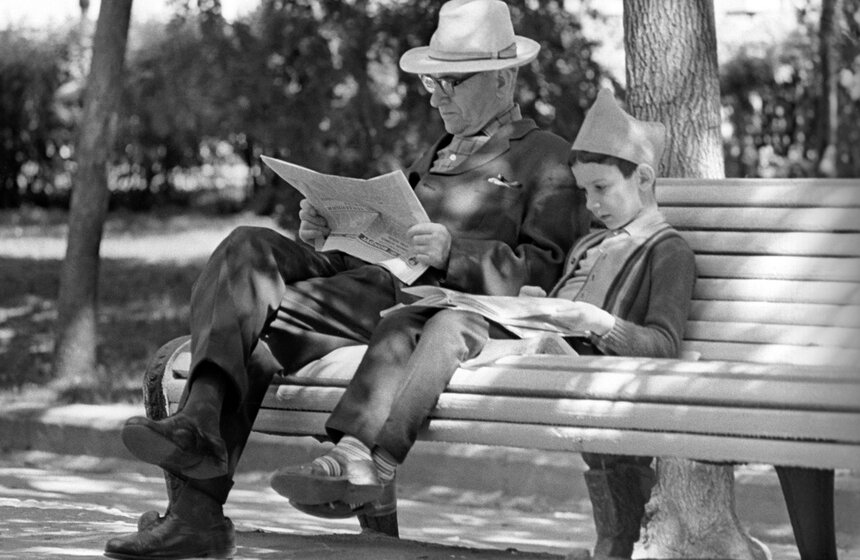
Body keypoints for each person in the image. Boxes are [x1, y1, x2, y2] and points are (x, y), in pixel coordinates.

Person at [103, 0, 589, 558]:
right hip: (367, 287)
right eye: (432, 81)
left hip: (423, 305)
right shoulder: (434, 157)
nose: (437, 94)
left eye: (453, 81)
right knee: (247, 247)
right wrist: (330, 231)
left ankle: (197, 509)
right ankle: (199, 425)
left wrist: (457, 251)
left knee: (252, 329)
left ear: (504, 80)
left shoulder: (549, 159)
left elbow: (543, 276)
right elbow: (384, 240)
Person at [274, 88, 697, 560]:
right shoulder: (592, 244)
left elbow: (661, 344)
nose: (592, 206)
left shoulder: (667, 250)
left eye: (601, 189)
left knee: (451, 325)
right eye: (585, 192)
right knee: (411, 318)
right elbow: (556, 298)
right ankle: (355, 453)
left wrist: (596, 321)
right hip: (537, 338)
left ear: (643, 178)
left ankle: (380, 461)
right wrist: (541, 302)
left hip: (579, 356)